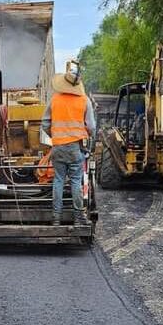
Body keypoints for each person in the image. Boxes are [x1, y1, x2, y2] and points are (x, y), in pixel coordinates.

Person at [41, 61, 96, 226]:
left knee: (58, 180)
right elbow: (92, 126)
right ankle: (79, 217)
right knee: (75, 180)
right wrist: (85, 136)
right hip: (75, 147)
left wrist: (56, 136)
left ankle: (56, 218)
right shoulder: (84, 101)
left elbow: (44, 123)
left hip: (57, 148)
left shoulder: (55, 100)